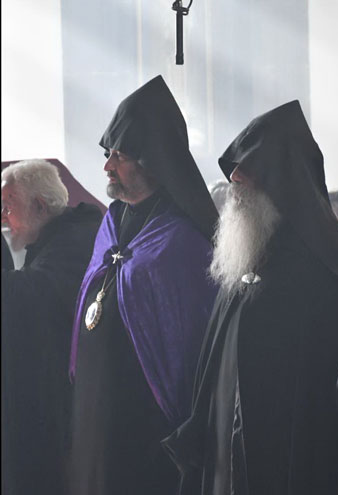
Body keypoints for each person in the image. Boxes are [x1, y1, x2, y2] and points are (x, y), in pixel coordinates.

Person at [162, 100, 338, 495]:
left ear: (283, 179)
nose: (235, 177)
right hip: (223, 447)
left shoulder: (327, 273)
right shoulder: (245, 255)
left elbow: (323, 399)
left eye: (249, 168)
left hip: (286, 458)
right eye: (235, 166)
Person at [67, 75, 219, 495]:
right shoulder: (113, 221)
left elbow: (188, 341)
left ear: (152, 160)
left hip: (147, 417)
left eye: (119, 155)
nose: (107, 166)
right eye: (108, 154)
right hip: (95, 405)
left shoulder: (184, 236)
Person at [1, 159, 103, 495]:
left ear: (39, 206)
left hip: (70, 404)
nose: (3, 217)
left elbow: (36, 298)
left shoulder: (78, 238)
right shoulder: (54, 236)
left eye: (8, 206)